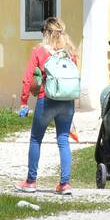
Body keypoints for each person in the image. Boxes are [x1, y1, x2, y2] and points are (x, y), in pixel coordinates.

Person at [15, 16, 80, 195]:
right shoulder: (70, 52)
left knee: (36, 139)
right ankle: (64, 184)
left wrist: (23, 102)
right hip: (67, 102)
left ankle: (31, 182)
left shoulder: (39, 51)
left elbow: (28, 78)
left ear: (46, 33)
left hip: (47, 99)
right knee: (63, 139)